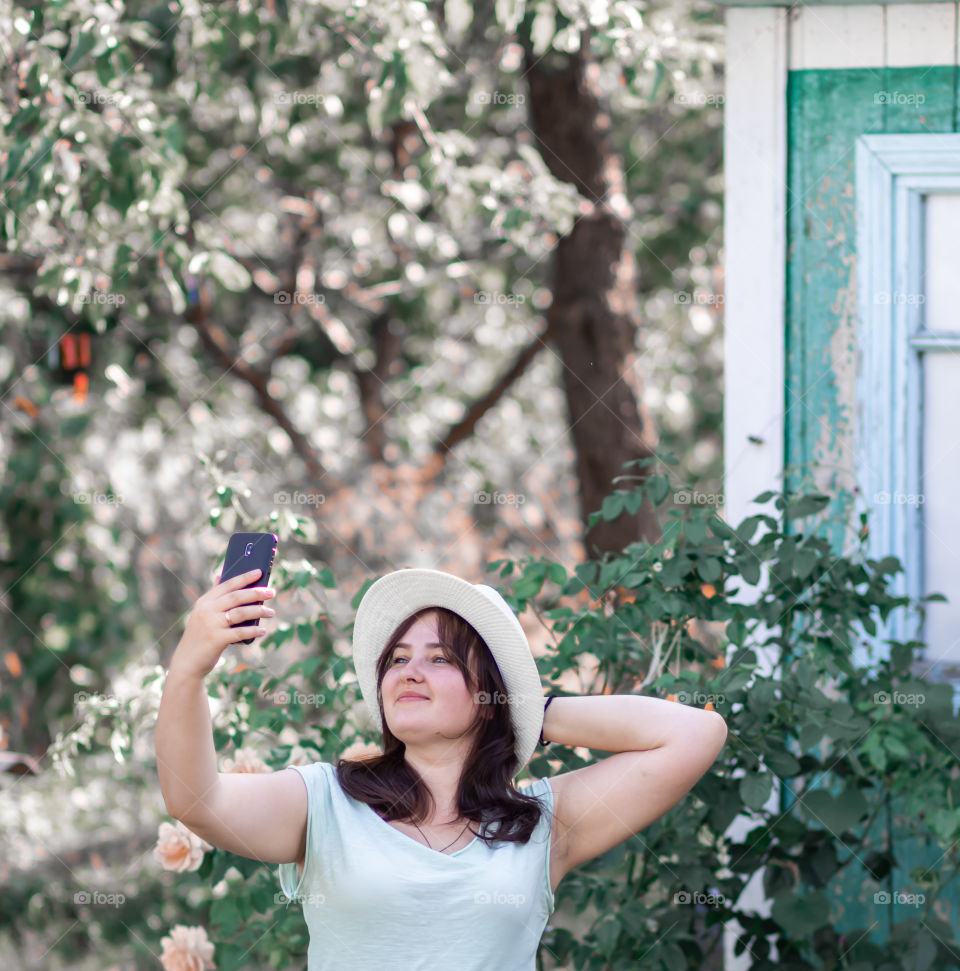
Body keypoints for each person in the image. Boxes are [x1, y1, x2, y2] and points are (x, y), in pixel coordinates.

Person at [155, 566, 728, 970]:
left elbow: (695, 733)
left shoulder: (542, 824)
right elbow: (195, 800)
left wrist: (527, 708)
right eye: (398, 659)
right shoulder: (325, 801)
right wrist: (188, 670)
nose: (409, 670)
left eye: (441, 659)